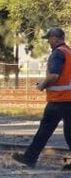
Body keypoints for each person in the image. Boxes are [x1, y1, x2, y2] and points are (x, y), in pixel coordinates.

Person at [13, 26, 71, 167]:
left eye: (49, 39)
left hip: (59, 100)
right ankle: (29, 157)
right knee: (70, 133)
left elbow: (54, 76)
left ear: (55, 38)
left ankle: (29, 158)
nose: (48, 42)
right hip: (69, 100)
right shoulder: (68, 52)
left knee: (44, 131)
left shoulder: (57, 53)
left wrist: (42, 85)